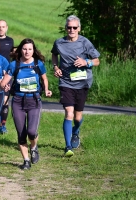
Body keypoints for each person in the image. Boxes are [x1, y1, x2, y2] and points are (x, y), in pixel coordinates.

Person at [51, 15, 100, 157]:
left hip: (82, 83)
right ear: (65, 28)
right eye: (69, 27)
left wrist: (86, 63)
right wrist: (55, 67)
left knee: (77, 118)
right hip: (66, 83)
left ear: (79, 28)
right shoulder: (59, 43)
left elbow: (96, 61)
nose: (71, 30)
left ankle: (76, 131)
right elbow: (54, 55)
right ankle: (67, 147)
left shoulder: (85, 42)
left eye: (74, 27)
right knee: (69, 114)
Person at [0, 38, 52, 170]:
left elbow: (44, 79)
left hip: (34, 100)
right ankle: (26, 160)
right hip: (18, 101)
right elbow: (3, 82)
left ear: (33, 50)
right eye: (24, 49)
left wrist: (46, 90)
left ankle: (34, 147)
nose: (27, 51)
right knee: (21, 133)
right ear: (20, 50)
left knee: (32, 131)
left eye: (30, 49)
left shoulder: (38, 64)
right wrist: (4, 86)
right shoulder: (14, 65)